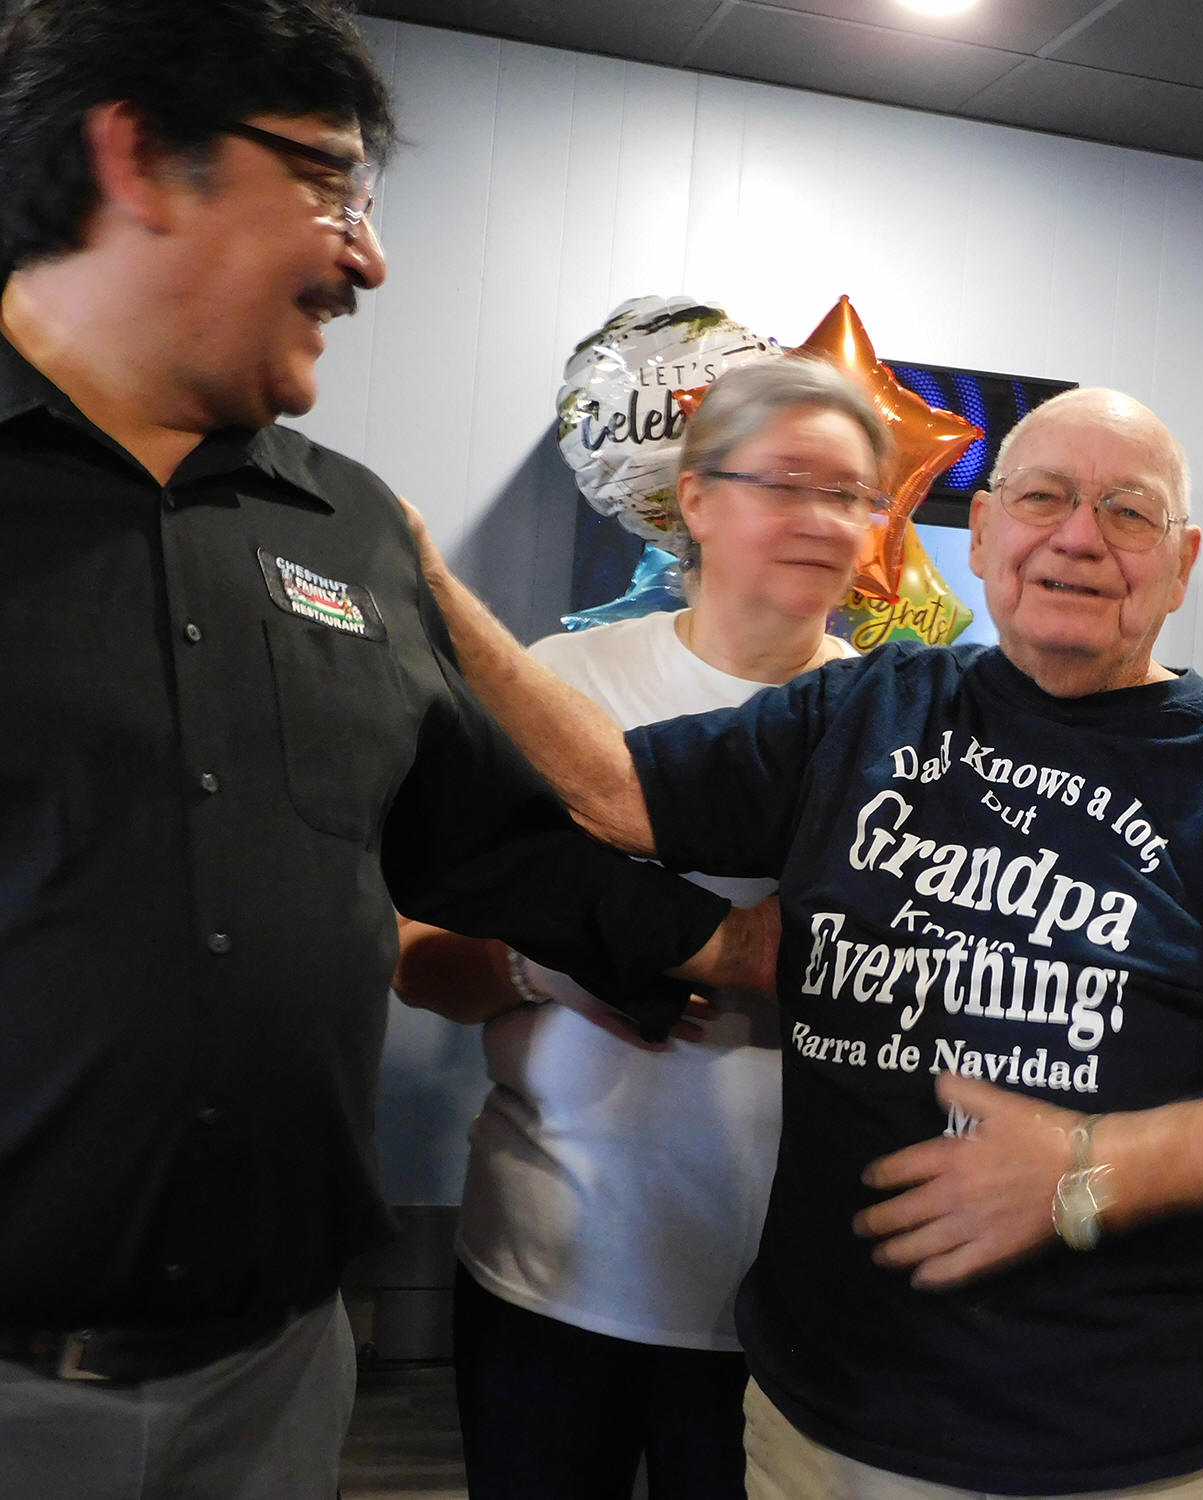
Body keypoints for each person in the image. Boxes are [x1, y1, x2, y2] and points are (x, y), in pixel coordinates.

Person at [407, 384, 1203, 1498]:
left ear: (1182, 562)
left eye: (1128, 511)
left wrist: (1086, 1172)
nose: (1079, 537)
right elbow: (617, 791)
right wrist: (426, 584)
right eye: (1042, 497)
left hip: (1139, 1448)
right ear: (984, 531)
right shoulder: (865, 707)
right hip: (826, 1430)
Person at [0, 4, 764, 1496]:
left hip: (276, 1380)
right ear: (140, 159)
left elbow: (491, 849)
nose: (370, 259)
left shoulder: (352, 525)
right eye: (328, 185)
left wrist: (736, 950)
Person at [394, 357, 889, 1500]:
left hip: (790, 1300)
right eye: (785, 483)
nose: (821, 520)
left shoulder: (892, 728)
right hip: (551, 1270)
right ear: (696, 500)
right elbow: (417, 961)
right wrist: (545, 964)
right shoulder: (558, 688)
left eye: (850, 495)